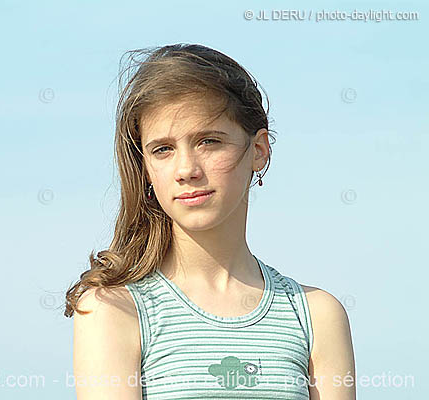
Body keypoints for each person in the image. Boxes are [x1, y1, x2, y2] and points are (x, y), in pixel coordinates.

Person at [65, 43, 356, 399]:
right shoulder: (114, 309)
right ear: (145, 169)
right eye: (163, 149)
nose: (186, 170)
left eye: (208, 141)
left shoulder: (316, 316)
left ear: (259, 150)